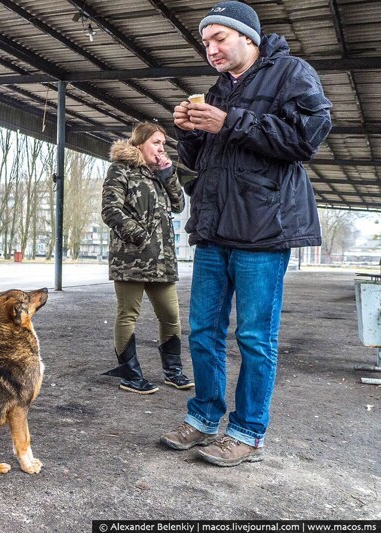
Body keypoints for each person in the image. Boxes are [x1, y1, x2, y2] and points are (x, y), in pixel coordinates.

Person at [159, 1, 331, 466]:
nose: (210, 48)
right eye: (206, 42)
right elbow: (203, 161)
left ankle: (248, 432)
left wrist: (230, 121)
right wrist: (190, 132)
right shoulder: (217, 90)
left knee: (254, 337)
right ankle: (202, 419)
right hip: (214, 229)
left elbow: (308, 137)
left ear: (248, 37)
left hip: (263, 230)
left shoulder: (291, 72)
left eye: (219, 38)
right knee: (204, 332)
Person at [101, 122, 193, 395]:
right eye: (156, 142)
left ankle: (173, 371)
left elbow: (178, 205)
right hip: (131, 259)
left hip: (161, 262)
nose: (161, 148)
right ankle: (130, 374)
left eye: (163, 144)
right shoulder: (121, 169)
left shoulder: (159, 174)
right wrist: (141, 237)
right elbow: (111, 210)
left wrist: (168, 175)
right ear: (139, 143)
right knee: (128, 315)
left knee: (171, 316)